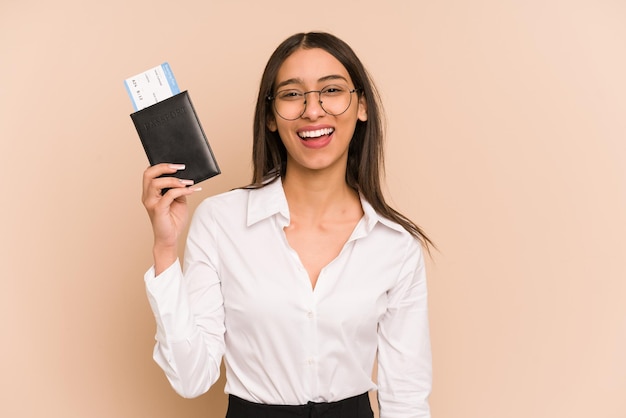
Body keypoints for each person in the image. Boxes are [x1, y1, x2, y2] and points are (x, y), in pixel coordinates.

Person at [141, 31, 433, 418]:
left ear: (361, 105)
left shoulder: (395, 245)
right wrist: (164, 249)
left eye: (331, 90)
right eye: (293, 95)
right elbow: (191, 378)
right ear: (271, 118)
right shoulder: (220, 221)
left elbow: (406, 396)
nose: (313, 111)